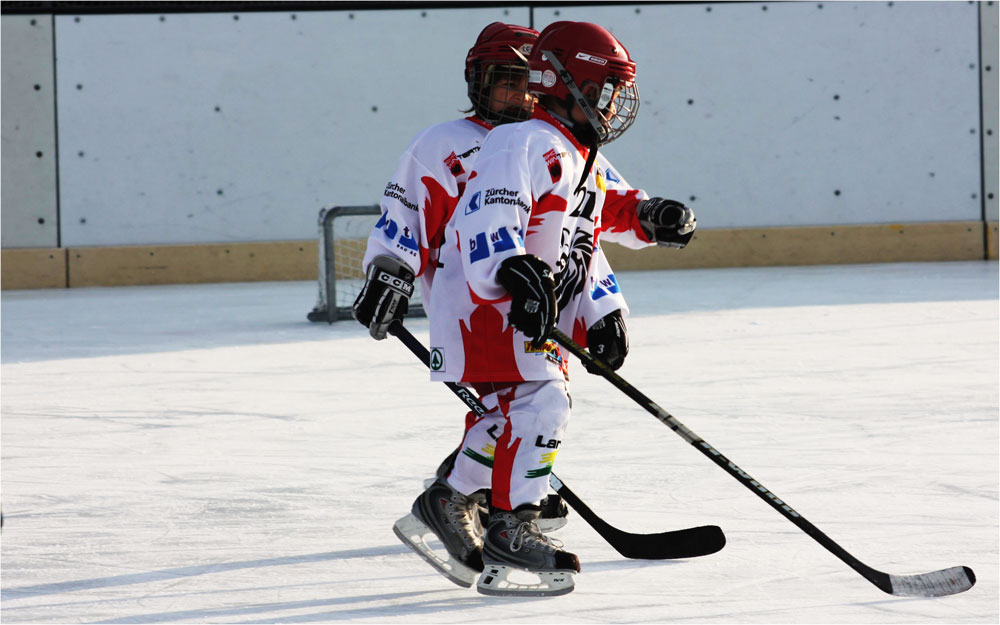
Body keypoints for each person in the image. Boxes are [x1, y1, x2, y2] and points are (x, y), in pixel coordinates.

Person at [419, 21, 697, 597]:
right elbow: (488, 215)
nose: (614, 104)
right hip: (489, 307)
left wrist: (605, 303)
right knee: (543, 403)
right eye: (605, 90)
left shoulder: (577, 152)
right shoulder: (522, 142)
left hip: (529, 307)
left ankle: (447, 500)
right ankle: (511, 527)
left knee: (511, 415)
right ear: (565, 83)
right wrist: (512, 272)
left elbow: (593, 226)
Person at [353, 23, 574, 587]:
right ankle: (493, 504)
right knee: (532, 402)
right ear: (477, 81)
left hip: (538, 299)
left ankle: (473, 493)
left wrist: (644, 213)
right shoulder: (442, 143)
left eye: (528, 85)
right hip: (473, 300)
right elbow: (405, 210)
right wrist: (390, 272)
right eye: (505, 82)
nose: (519, 97)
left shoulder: (547, 138)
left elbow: (596, 197)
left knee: (518, 409)